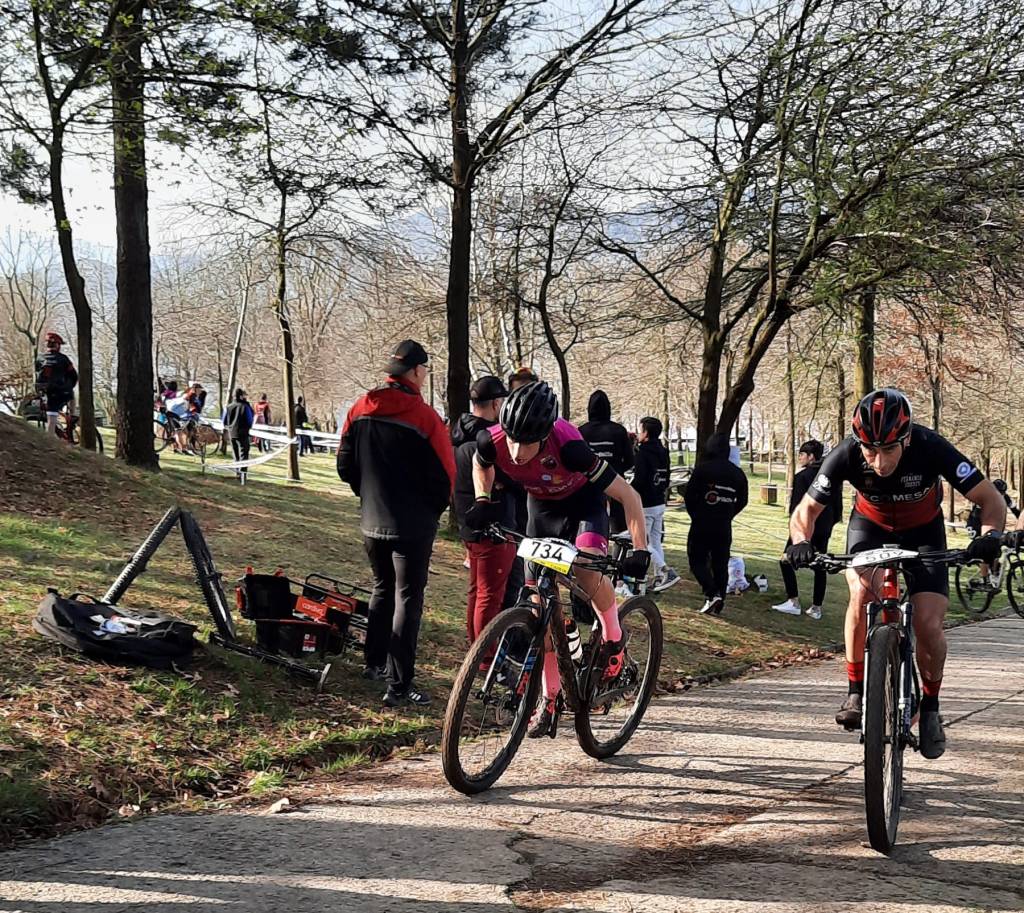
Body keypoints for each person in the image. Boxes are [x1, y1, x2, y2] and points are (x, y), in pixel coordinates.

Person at [786, 388, 1007, 759]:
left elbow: (991, 500)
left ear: (906, 438)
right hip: (869, 528)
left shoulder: (931, 446)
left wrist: (990, 537)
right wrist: (800, 542)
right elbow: (805, 511)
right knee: (861, 593)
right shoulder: (846, 454)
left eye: (888, 449)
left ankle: (931, 707)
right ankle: (856, 691)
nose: (878, 461)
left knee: (928, 624)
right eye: (869, 450)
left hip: (924, 533)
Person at [466, 381, 651, 738]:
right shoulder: (491, 440)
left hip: (584, 506)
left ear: (544, 435)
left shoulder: (571, 448)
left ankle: (614, 639)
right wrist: (482, 499)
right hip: (542, 509)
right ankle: (550, 697)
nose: (517, 452)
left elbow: (630, 496)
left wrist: (641, 549)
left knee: (584, 568)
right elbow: (480, 464)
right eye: (512, 439)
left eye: (527, 442)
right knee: (540, 606)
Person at [338, 339, 455, 708]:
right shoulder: (425, 418)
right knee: (407, 598)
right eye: (425, 370)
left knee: (382, 588)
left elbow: (344, 465)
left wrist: (367, 494)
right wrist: (431, 512)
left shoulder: (359, 408)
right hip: (413, 525)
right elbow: (446, 478)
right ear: (417, 372)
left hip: (372, 518)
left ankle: (373, 664)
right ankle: (399, 685)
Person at [452, 376, 517, 644]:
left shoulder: (458, 433)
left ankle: (475, 647)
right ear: (496, 403)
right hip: (494, 524)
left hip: (469, 522)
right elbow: (511, 478)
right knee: (489, 596)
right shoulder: (492, 439)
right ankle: (485, 655)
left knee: (477, 591)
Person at [773, 440, 842, 620]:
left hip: (805, 528)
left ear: (811, 456)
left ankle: (793, 601)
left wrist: (795, 527)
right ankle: (816, 607)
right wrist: (830, 523)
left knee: (786, 559)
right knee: (820, 565)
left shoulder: (802, 477)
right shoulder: (831, 477)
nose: (800, 457)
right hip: (825, 527)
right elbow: (838, 507)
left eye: (802, 454)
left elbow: (797, 507)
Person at [684, 432, 749, 615]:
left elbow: (689, 495)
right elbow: (743, 500)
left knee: (696, 559)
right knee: (720, 563)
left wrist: (696, 514)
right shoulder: (737, 473)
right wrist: (728, 513)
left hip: (702, 522)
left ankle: (712, 593)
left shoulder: (702, 469)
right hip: (723, 525)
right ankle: (720, 600)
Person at [632, 416, 680, 592]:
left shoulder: (643, 453)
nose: (638, 433)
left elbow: (639, 480)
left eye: (640, 430)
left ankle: (665, 570)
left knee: (642, 542)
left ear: (645, 433)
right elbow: (666, 477)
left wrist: (627, 492)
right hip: (659, 501)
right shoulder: (663, 451)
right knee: (655, 541)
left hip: (645, 504)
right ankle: (660, 578)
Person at [579, 390, 634, 537]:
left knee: (588, 529)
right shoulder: (619, 431)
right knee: (619, 530)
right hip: (615, 483)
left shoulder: (581, 431)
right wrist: (616, 469)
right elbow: (630, 460)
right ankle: (617, 549)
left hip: (588, 485)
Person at [34, 332, 78, 436]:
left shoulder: (40, 358)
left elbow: (37, 374)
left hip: (47, 393)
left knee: (51, 420)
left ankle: (49, 442)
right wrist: (69, 386)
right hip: (62, 392)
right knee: (71, 395)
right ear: (57, 345)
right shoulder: (63, 359)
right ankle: (72, 416)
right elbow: (74, 376)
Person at [222, 388, 254, 477]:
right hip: (243, 433)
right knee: (244, 453)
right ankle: (243, 474)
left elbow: (224, 420)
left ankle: (237, 472)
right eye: (244, 395)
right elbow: (249, 420)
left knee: (235, 454)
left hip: (231, 433)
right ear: (241, 396)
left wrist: (229, 426)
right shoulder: (245, 406)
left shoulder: (228, 407)